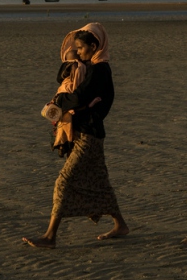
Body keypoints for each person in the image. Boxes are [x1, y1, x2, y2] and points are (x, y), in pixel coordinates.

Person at [23, 23, 130, 248]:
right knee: (100, 182)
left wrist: (59, 101)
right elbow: (69, 85)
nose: (78, 52)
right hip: (88, 132)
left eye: (81, 48)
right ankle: (120, 224)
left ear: (94, 46)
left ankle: (50, 237)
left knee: (63, 182)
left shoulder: (99, 70)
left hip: (89, 135)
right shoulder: (91, 67)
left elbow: (79, 98)